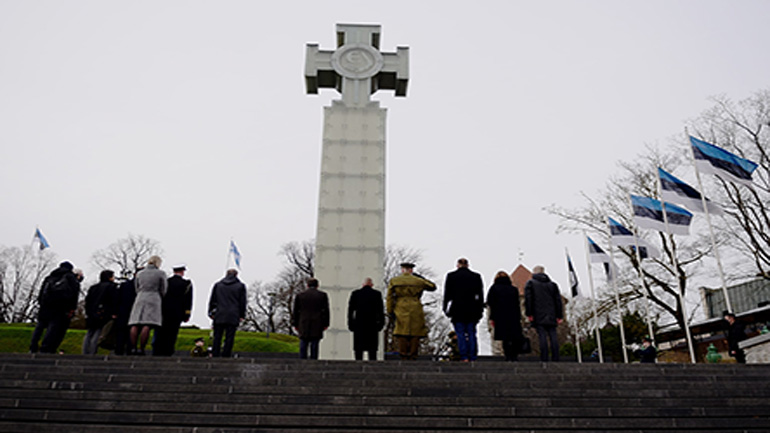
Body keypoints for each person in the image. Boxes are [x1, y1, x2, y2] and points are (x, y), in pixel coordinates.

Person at [387, 262, 437, 360]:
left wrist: (390, 310)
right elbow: (432, 287)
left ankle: (403, 354)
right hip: (415, 306)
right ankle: (413, 355)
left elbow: (389, 297)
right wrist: (421, 278)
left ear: (402, 270)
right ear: (411, 270)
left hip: (400, 306)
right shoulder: (418, 281)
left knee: (402, 331)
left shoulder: (395, 281)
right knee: (415, 332)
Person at [29, 261, 81, 354]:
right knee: (53, 327)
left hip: (46, 306)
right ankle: (45, 348)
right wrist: (72, 308)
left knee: (40, 326)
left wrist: (42, 303)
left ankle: (33, 346)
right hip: (60, 307)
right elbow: (74, 294)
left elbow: (42, 292)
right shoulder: (70, 277)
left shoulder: (49, 277)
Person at [443, 258, 484, 362]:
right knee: (471, 333)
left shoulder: (451, 276)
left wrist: (445, 307)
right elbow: (480, 295)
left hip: (457, 308)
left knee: (460, 333)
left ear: (458, 265)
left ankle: (464, 356)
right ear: (468, 265)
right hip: (472, 308)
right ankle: (473, 356)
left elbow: (447, 294)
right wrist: (480, 310)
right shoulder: (476, 276)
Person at [128, 256, 167, 355]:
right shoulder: (161, 273)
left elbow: (136, 287)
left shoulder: (140, 274)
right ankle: (141, 348)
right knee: (147, 324)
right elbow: (163, 289)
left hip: (140, 297)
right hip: (154, 297)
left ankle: (133, 347)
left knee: (135, 323)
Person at [524, 265, 563, 362]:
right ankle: (555, 357)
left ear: (534, 273)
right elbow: (558, 300)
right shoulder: (553, 285)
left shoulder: (531, 284)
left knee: (542, 336)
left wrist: (529, 313)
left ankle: (544, 357)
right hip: (551, 314)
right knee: (553, 335)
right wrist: (559, 315)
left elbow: (529, 299)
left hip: (538, 313)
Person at [154, 264, 193, 356]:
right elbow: (188, 300)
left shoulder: (166, 282)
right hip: (178, 312)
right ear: (182, 272)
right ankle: (169, 350)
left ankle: (159, 350)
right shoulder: (186, 284)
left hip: (164, 311)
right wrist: (187, 314)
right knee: (173, 332)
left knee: (162, 332)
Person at [208, 268, 247, 358]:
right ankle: (226, 354)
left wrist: (211, 312)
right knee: (230, 336)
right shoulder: (240, 286)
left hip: (220, 313)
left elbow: (213, 300)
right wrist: (242, 314)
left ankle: (215, 353)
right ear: (236, 275)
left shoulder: (218, 285)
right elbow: (242, 302)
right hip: (233, 314)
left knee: (217, 336)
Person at [486, 270, 523, 362]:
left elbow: (491, 304)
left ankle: (507, 355)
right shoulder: (513, 289)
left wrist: (492, 318)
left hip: (500, 316)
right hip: (513, 315)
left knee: (505, 337)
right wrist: (519, 317)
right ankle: (514, 355)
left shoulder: (494, 289)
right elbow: (517, 304)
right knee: (513, 337)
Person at [347, 277, 385, 361]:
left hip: (359, 323)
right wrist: (381, 324)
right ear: (372, 285)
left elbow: (350, 310)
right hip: (373, 324)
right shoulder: (377, 294)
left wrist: (350, 323)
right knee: (372, 349)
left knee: (358, 348)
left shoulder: (356, 294)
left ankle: (358, 365)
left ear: (363, 284)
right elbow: (380, 310)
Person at [292, 278, 330, 360]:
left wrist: (295, 323)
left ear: (307, 285)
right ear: (317, 286)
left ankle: (302, 359)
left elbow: (295, 311)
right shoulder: (322, 295)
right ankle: (314, 360)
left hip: (303, 321)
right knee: (315, 342)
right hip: (317, 322)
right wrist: (326, 323)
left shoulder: (300, 295)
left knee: (303, 341)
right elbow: (326, 310)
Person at [82, 270, 118, 355]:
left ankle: (85, 351)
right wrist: (114, 312)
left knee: (90, 333)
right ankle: (92, 351)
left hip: (92, 312)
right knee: (99, 333)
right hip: (104, 312)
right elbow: (114, 301)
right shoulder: (112, 287)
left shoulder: (93, 288)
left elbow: (88, 301)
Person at [114, 269, 138, 355]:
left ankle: (119, 350)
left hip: (123, 311)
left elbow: (117, 298)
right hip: (134, 311)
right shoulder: (140, 286)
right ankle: (129, 349)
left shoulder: (124, 285)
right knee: (132, 331)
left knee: (121, 332)